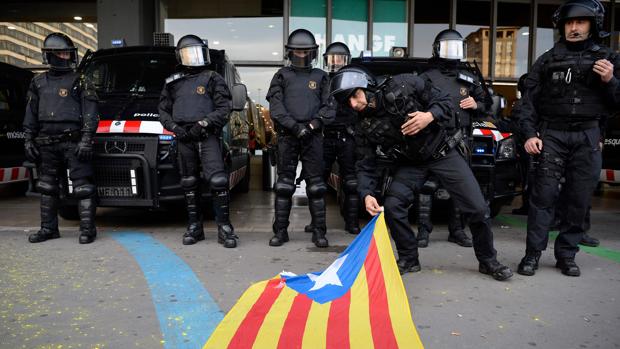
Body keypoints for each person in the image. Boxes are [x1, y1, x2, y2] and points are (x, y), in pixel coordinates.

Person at [330, 65, 513, 281]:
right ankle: (409, 258)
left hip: (443, 153)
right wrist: (367, 194)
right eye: (347, 102)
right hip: (412, 163)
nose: (354, 104)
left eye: (355, 96)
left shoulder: (404, 84)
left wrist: (429, 116)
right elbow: (364, 162)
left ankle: (488, 260)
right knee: (393, 206)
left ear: (367, 87)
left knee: (478, 208)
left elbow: (445, 102)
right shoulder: (362, 124)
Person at [516, 0, 619, 277]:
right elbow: (528, 102)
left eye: (580, 22)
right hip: (553, 135)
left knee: (579, 198)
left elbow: (617, 104)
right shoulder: (548, 59)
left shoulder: (608, 59)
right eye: (569, 23)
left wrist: (611, 81)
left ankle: (566, 255)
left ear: (592, 25)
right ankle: (532, 255)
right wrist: (529, 134)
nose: (574, 28)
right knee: (543, 196)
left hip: (587, 135)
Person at [158, 34, 237, 247]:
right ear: (179, 56)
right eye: (188, 53)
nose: (193, 58)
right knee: (189, 182)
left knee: (218, 181)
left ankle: (224, 227)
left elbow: (223, 108)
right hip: (184, 137)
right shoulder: (173, 82)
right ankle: (195, 227)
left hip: (207, 135)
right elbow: (163, 111)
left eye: (197, 52)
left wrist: (203, 124)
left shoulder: (213, 78)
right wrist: (174, 128)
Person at [415, 29, 491, 248]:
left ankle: (457, 230)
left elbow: (486, 106)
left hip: (461, 140)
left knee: (461, 190)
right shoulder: (426, 77)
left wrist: (476, 105)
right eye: (448, 47)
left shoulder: (469, 78)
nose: (452, 52)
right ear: (437, 49)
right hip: (433, 139)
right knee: (426, 186)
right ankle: (423, 231)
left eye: (456, 47)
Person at [23, 32, 99, 244]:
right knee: (47, 186)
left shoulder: (81, 80)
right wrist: (28, 138)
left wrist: (86, 139)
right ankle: (48, 229)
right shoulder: (38, 82)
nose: (67, 57)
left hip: (73, 141)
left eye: (68, 53)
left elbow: (91, 113)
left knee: (82, 186)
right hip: (46, 141)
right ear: (51, 55)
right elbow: (30, 112)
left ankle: (87, 230)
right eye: (63, 53)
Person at [266, 29, 335, 248]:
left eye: (306, 51)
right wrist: (295, 127)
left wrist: (313, 125)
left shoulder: (321, 77)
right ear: (290, 52)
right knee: (284, 185)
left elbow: (329, 107)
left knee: (316, 186)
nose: (302, 55)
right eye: (298, 51)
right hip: (288, 136)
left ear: (313, 53)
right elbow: (276, 107)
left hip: (313, 136)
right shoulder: (281, 75)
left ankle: (319, 232)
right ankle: (281, 232)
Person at [304, 42, 360, 235]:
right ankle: (316, 223)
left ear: (347, 60)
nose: (335, 62)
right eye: (332, 58)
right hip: (325, 136)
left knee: (351, 182)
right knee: (317, 183)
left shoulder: (354, 80)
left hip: (346, 137)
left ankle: (352, 222)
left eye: (339, 58)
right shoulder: (322, 79)